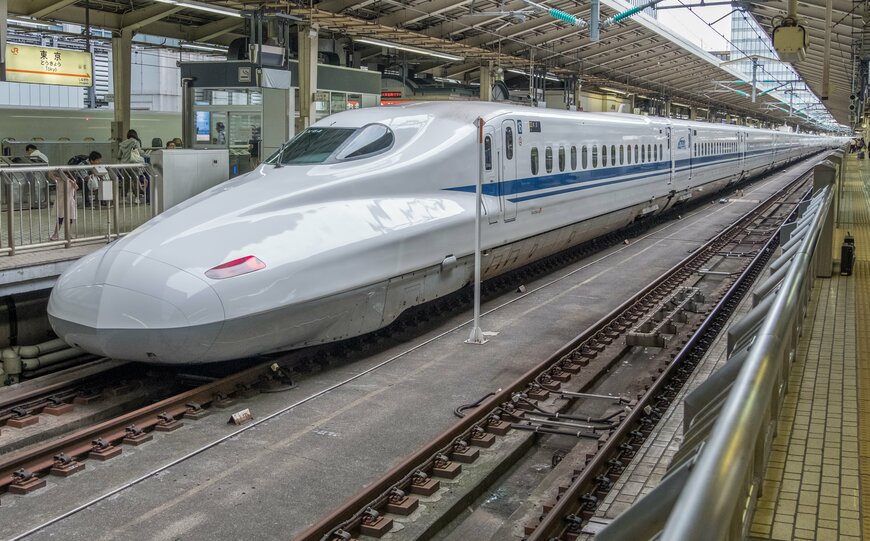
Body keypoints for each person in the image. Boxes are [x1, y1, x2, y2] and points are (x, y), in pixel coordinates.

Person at [119, 129, 149, 204]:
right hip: (133, 164)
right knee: (136, 181)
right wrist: (149, 155)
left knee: (125, 181)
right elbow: (140, 152)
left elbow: (118, 155)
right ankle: (137, 198)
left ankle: (123, 198)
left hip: (124, 165)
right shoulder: (135, 142)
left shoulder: (122, 144)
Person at [49, 171, 77, 241]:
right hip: (61, 202)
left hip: (70, 202)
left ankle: (68, 233)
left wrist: (70, 180)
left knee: (71, 218)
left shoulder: (71, 182)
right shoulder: (59, 180)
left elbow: (76, 187)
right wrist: (58, 172)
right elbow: (50, 174)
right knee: (60, 218)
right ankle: (55, 234)